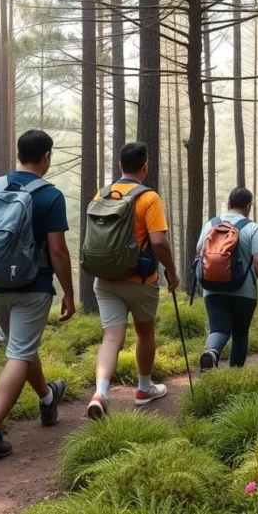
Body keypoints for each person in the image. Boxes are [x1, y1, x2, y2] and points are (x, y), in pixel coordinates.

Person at [0, 129, 75, 462]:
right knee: (20, 353)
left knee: (21, 346)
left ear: (19, 154)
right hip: (32, 287)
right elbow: (58, 251)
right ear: (46, 157)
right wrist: (68, 292)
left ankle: (48, 397)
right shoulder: (50, 196)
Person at [87, 142, 179, 420]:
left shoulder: (101, 194)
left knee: (111, 337)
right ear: (145, 167)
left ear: (120, 165)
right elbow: (158, 242)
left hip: (105, 278)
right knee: (144, 332)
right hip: (140, 279)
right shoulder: (148, 198)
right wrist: (171, 271)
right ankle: (143, 388)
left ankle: (100, 393)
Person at [196, 187, 258, 371]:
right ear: (249, 207)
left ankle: (211, 352)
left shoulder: (211, 224)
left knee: (219, 329)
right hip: (244, 291)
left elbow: (199, 251)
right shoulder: (252, 228)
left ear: (228, 203)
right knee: (240, 333)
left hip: (212, 288)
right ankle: (235, 375)